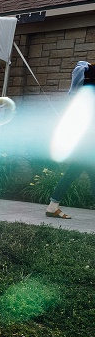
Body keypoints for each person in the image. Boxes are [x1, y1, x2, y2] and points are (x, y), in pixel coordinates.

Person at [45, 61, 95, 219]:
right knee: (76, 174)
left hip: (85, 143)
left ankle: (53, 206)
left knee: (77, 174)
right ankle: (52, 206)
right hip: (85, 144)